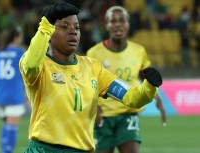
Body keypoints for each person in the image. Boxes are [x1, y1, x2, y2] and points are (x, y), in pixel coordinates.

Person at [19, 2, 162, 153]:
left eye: (77, 27)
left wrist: (149, 87)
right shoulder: (39, 66)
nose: (73, 31)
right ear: (50, 32)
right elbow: (32, 64)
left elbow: (131, 97)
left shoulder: (93, 68)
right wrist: (45, 25)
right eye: (64, 26)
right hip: (44, 149)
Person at [86, 6, 166, 153]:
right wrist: (94, 108)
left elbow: (146, 77)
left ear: (128, 24)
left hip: (128, 114)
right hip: (104, 116)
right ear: (106, 25)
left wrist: (158, 98)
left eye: (122, 20)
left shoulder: (138, 51)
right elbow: (88, 84)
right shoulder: (94, 52)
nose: (117, 24)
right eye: (113, 21)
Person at [0, 26, 26, 153]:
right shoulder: (21, 53)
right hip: (14, 96)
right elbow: (28, 75)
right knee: (12, 128)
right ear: (16, 37)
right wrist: (29, 95)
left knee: (6, 125)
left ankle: (4, 150)